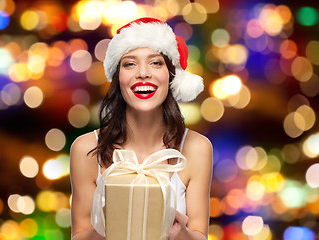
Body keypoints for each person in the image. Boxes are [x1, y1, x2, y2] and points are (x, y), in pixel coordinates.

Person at [70, 17, 213, 240]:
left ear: (171, 75)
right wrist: (107, 224)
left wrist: (177, 230)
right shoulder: (86, 148)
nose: (143, 73)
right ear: (118, 77)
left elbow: (199, 235)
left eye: (156, 62)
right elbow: (78, 235)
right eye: (129, 63)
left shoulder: (196, 148)